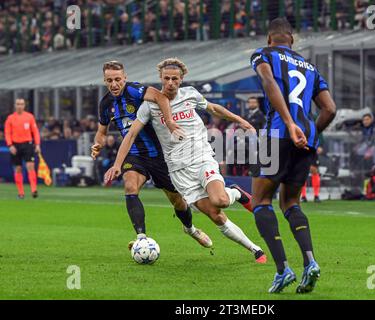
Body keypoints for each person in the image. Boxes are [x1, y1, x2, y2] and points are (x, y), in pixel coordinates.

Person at [105, 58, 267, 264]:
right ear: (160, 79)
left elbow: (214, 108)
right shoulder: (149, 106)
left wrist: (242, 121)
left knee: (221, 201)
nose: (170, 83)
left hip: (201, 158)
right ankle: (255, 249)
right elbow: (131, 135)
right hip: (178, 171)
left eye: (175, 79)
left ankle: (235, 192)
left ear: (181, 80)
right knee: (214, 215)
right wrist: (117, 164)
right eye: (166, 79)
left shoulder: (190, 94)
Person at [250, 17, 336, 294]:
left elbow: (268, 83)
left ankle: (282, 269)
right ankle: (310, 262)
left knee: (261, 201)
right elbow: (330, 109)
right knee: (290, 203)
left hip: (278, 134)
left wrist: (289, 124)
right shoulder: (311, 67)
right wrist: (309, 134)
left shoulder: (263, 55)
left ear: (269, 38)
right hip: (305, 140)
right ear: (292, 39)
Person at [91, 60, 212, 250]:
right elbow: (101, 131)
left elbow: (162, 98)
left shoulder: (135, 91)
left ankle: (190, 229)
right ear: (104, 81)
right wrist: (98, 144)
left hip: (160, 154)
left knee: (178, 201)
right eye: (109, 81)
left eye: (117, 79)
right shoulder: (105, 103)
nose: (114, 84)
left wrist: (170, 122)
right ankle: (141, 237)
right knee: (130, 186)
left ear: (125, 78)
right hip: (134, 154)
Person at [4, 98, 41, 199]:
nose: (20, 106)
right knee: (18, 168)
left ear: (24, 105)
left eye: (21, 104)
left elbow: (35, 131)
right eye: (18, 104)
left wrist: (37, 144)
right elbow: (7, 133)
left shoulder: (29, 117)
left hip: (27, 144)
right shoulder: (10, 118)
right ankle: (21, 193)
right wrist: (10, 145)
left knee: (30, 166)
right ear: (15, 105)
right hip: (15, 145)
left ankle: (34, 190)